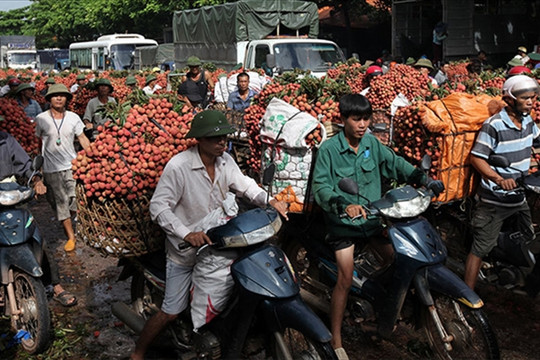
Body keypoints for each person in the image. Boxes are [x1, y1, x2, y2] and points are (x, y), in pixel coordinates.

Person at [130, 110, 288, 360]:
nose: (222, 143)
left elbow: (245, 185)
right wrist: (186, 233)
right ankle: (138, 352)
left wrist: (270, 201)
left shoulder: (226, 161)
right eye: (215, 139)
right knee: (171, 311)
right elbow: (158, 206)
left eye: (224, 138)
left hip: (218, 245)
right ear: (199, 140)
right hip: (185, 252)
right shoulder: (179, 166)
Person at [311, 94, 443, 359]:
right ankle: (335, 339)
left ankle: (383, 307)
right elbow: (321, 186)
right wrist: (341, 203)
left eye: (366, 119)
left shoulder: (372, 143)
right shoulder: (329, 150)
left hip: (372, 220)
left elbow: (395, 164)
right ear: (343, 120)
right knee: (345, 278)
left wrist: (423, 178)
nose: (362, 124)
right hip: (343, 225)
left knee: (399, 258)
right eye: (356, 119)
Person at [463, 75, 540, 291]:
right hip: (494, 199)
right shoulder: (494, 125)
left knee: (529, 237)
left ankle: (512, 275)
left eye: (532, 97)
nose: (530, 102)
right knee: (480, 247)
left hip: (519, 195)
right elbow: (477, 158)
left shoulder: (528, 121)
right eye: (525, 98)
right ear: (510, 99)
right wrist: (498, 179)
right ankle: (467, 297)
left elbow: (536, 140)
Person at [0, 130, 77, 306]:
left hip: (11, 198)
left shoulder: (6, 140)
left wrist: (36, 180)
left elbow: (27, 165)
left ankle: (56, 286)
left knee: (35, 236)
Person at [35, 84, 91, 252]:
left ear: (67, 99)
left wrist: (93, 157)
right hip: (51, 170)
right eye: (55, 95)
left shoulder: (74, 118)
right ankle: (71, 236)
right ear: (49, 99)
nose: (59, 98)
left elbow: (82, 138)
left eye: (62, 95)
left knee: (76, 201)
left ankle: (68, 220)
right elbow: (37, 145)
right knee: (60, 203)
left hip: (72, 166)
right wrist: (38, 173)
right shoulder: (41, 119)